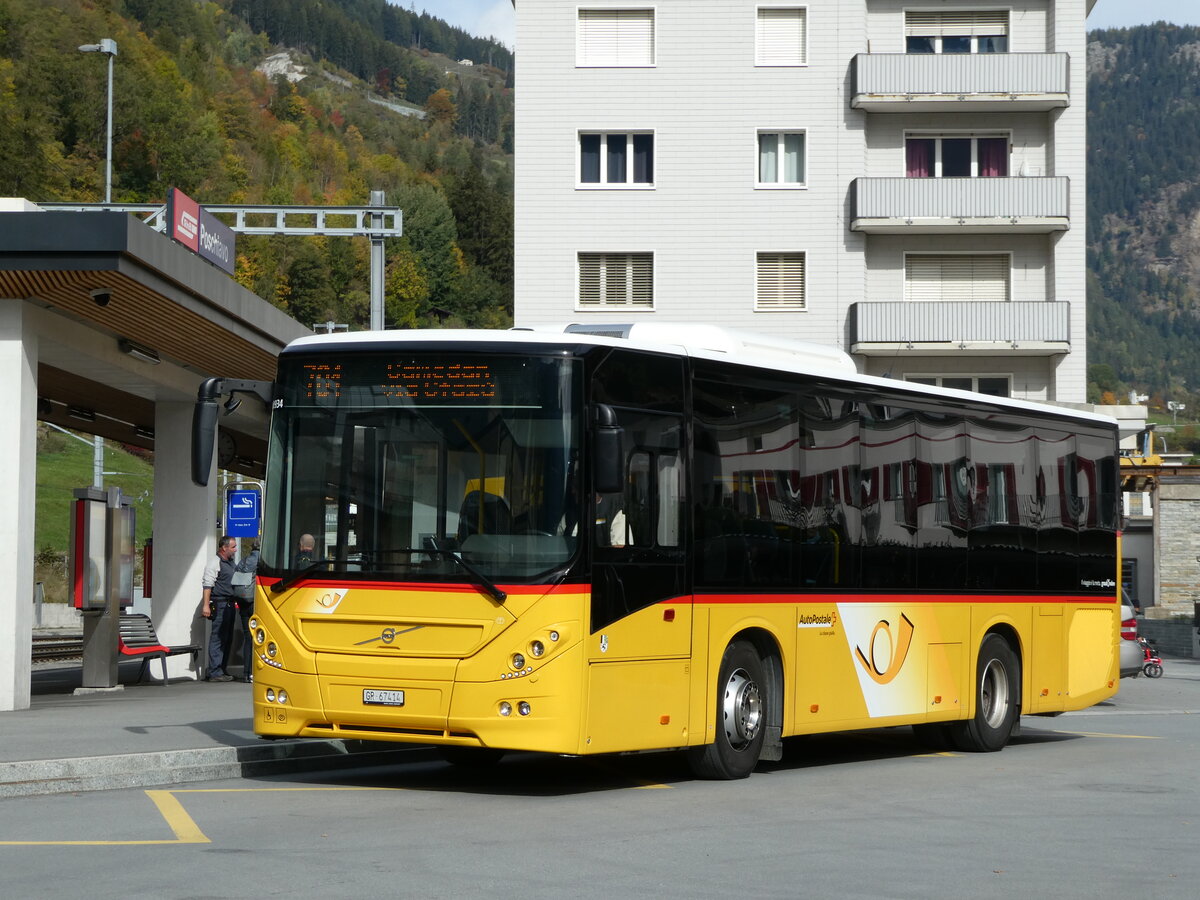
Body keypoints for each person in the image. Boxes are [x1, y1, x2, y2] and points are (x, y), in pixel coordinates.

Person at [201, 535, 239, 682]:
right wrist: (206, 605)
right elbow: (207, 585)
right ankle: (215, 671)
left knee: (227, 638)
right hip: (220, 603)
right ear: (224, 548)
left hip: (229, 603)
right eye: (233, 547)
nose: (235, 550)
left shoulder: (230, 563)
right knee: (218, 637)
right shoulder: (214, 563)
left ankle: (222, 669)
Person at [233, 542, 260, 683]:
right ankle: (255, 672)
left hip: (243, 603)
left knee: (247, 637)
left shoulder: (243, 561)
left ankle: (246, 673)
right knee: (259, 638)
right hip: (255, 603)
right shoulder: (262, 561)